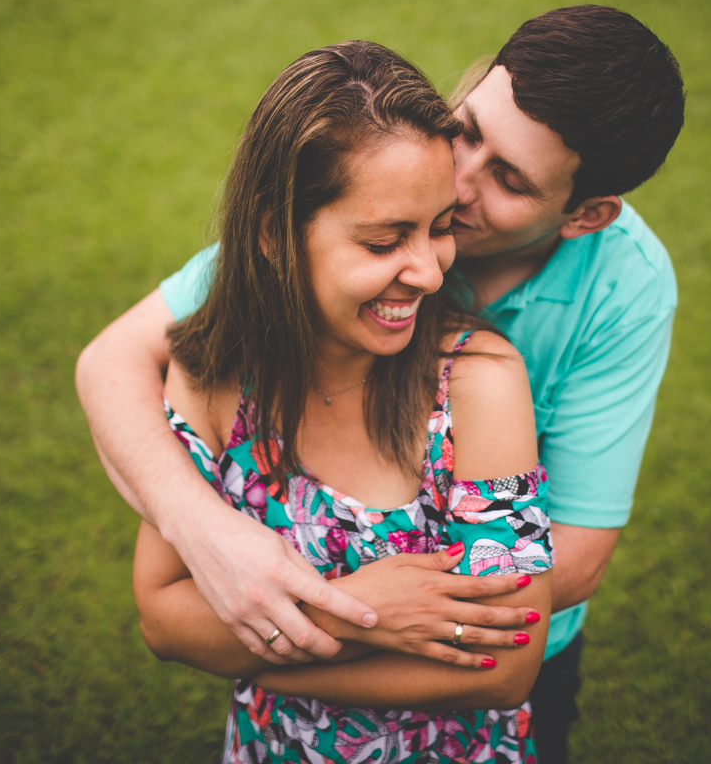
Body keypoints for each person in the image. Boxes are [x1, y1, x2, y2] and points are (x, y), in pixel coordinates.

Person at [77, 5, 684, 763]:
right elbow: (110, 361)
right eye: (468, 131)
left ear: (584, 214)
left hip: (478, 671)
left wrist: (288, 627)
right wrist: (214, 540)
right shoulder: (374, 191)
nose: (456, 184)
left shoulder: (610, 295)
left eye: (509, 180)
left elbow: (573, 564)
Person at [131, 40, 553, 763]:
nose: (426, 271)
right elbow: (165, 616)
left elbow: (506, 666)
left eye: (440, 227)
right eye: (386, 240)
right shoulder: (211, 377)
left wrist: (260, 652)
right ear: (274, 235)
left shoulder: (479, 381)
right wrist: (364, 614)